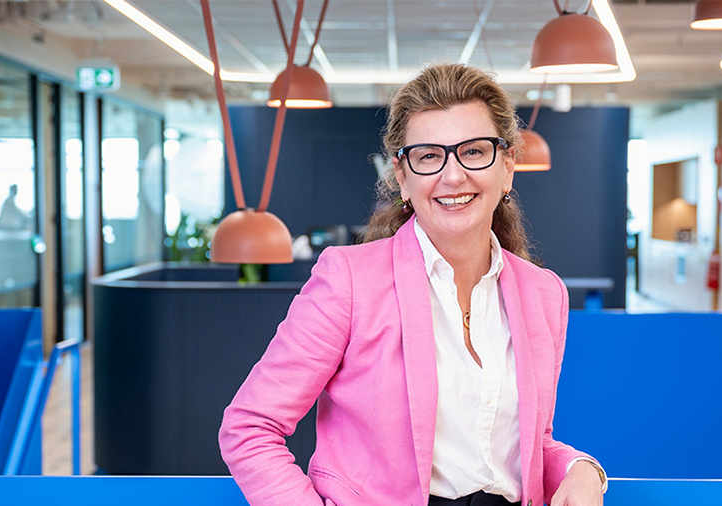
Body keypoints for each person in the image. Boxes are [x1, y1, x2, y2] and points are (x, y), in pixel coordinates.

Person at [219, 63, 606, 506]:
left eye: (474, 152)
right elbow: (249, 427)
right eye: (428, 156)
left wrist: (581, 470)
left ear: (508, 167)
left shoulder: (544, 293)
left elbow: (523, 444)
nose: (453, 175)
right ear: (403, 177)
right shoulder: (349, 280)